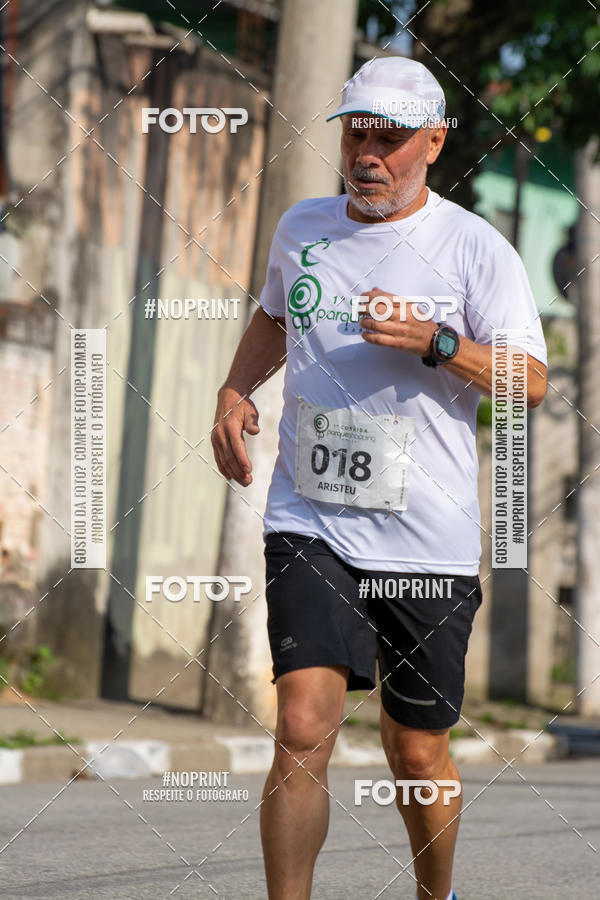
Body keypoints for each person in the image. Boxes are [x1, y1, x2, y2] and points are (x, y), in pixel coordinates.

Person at [211, 56, 547, 900]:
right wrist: (233, 388)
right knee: (300, 725)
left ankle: (438, 894)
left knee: (417, 749)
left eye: (391, 138)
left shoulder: (477, 249)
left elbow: (532, 382)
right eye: (358, 132)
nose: (368, 152)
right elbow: (274, 314)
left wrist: (440, 343)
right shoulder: (303, 227)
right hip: (309, 516)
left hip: (426, 538)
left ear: (433, 142)